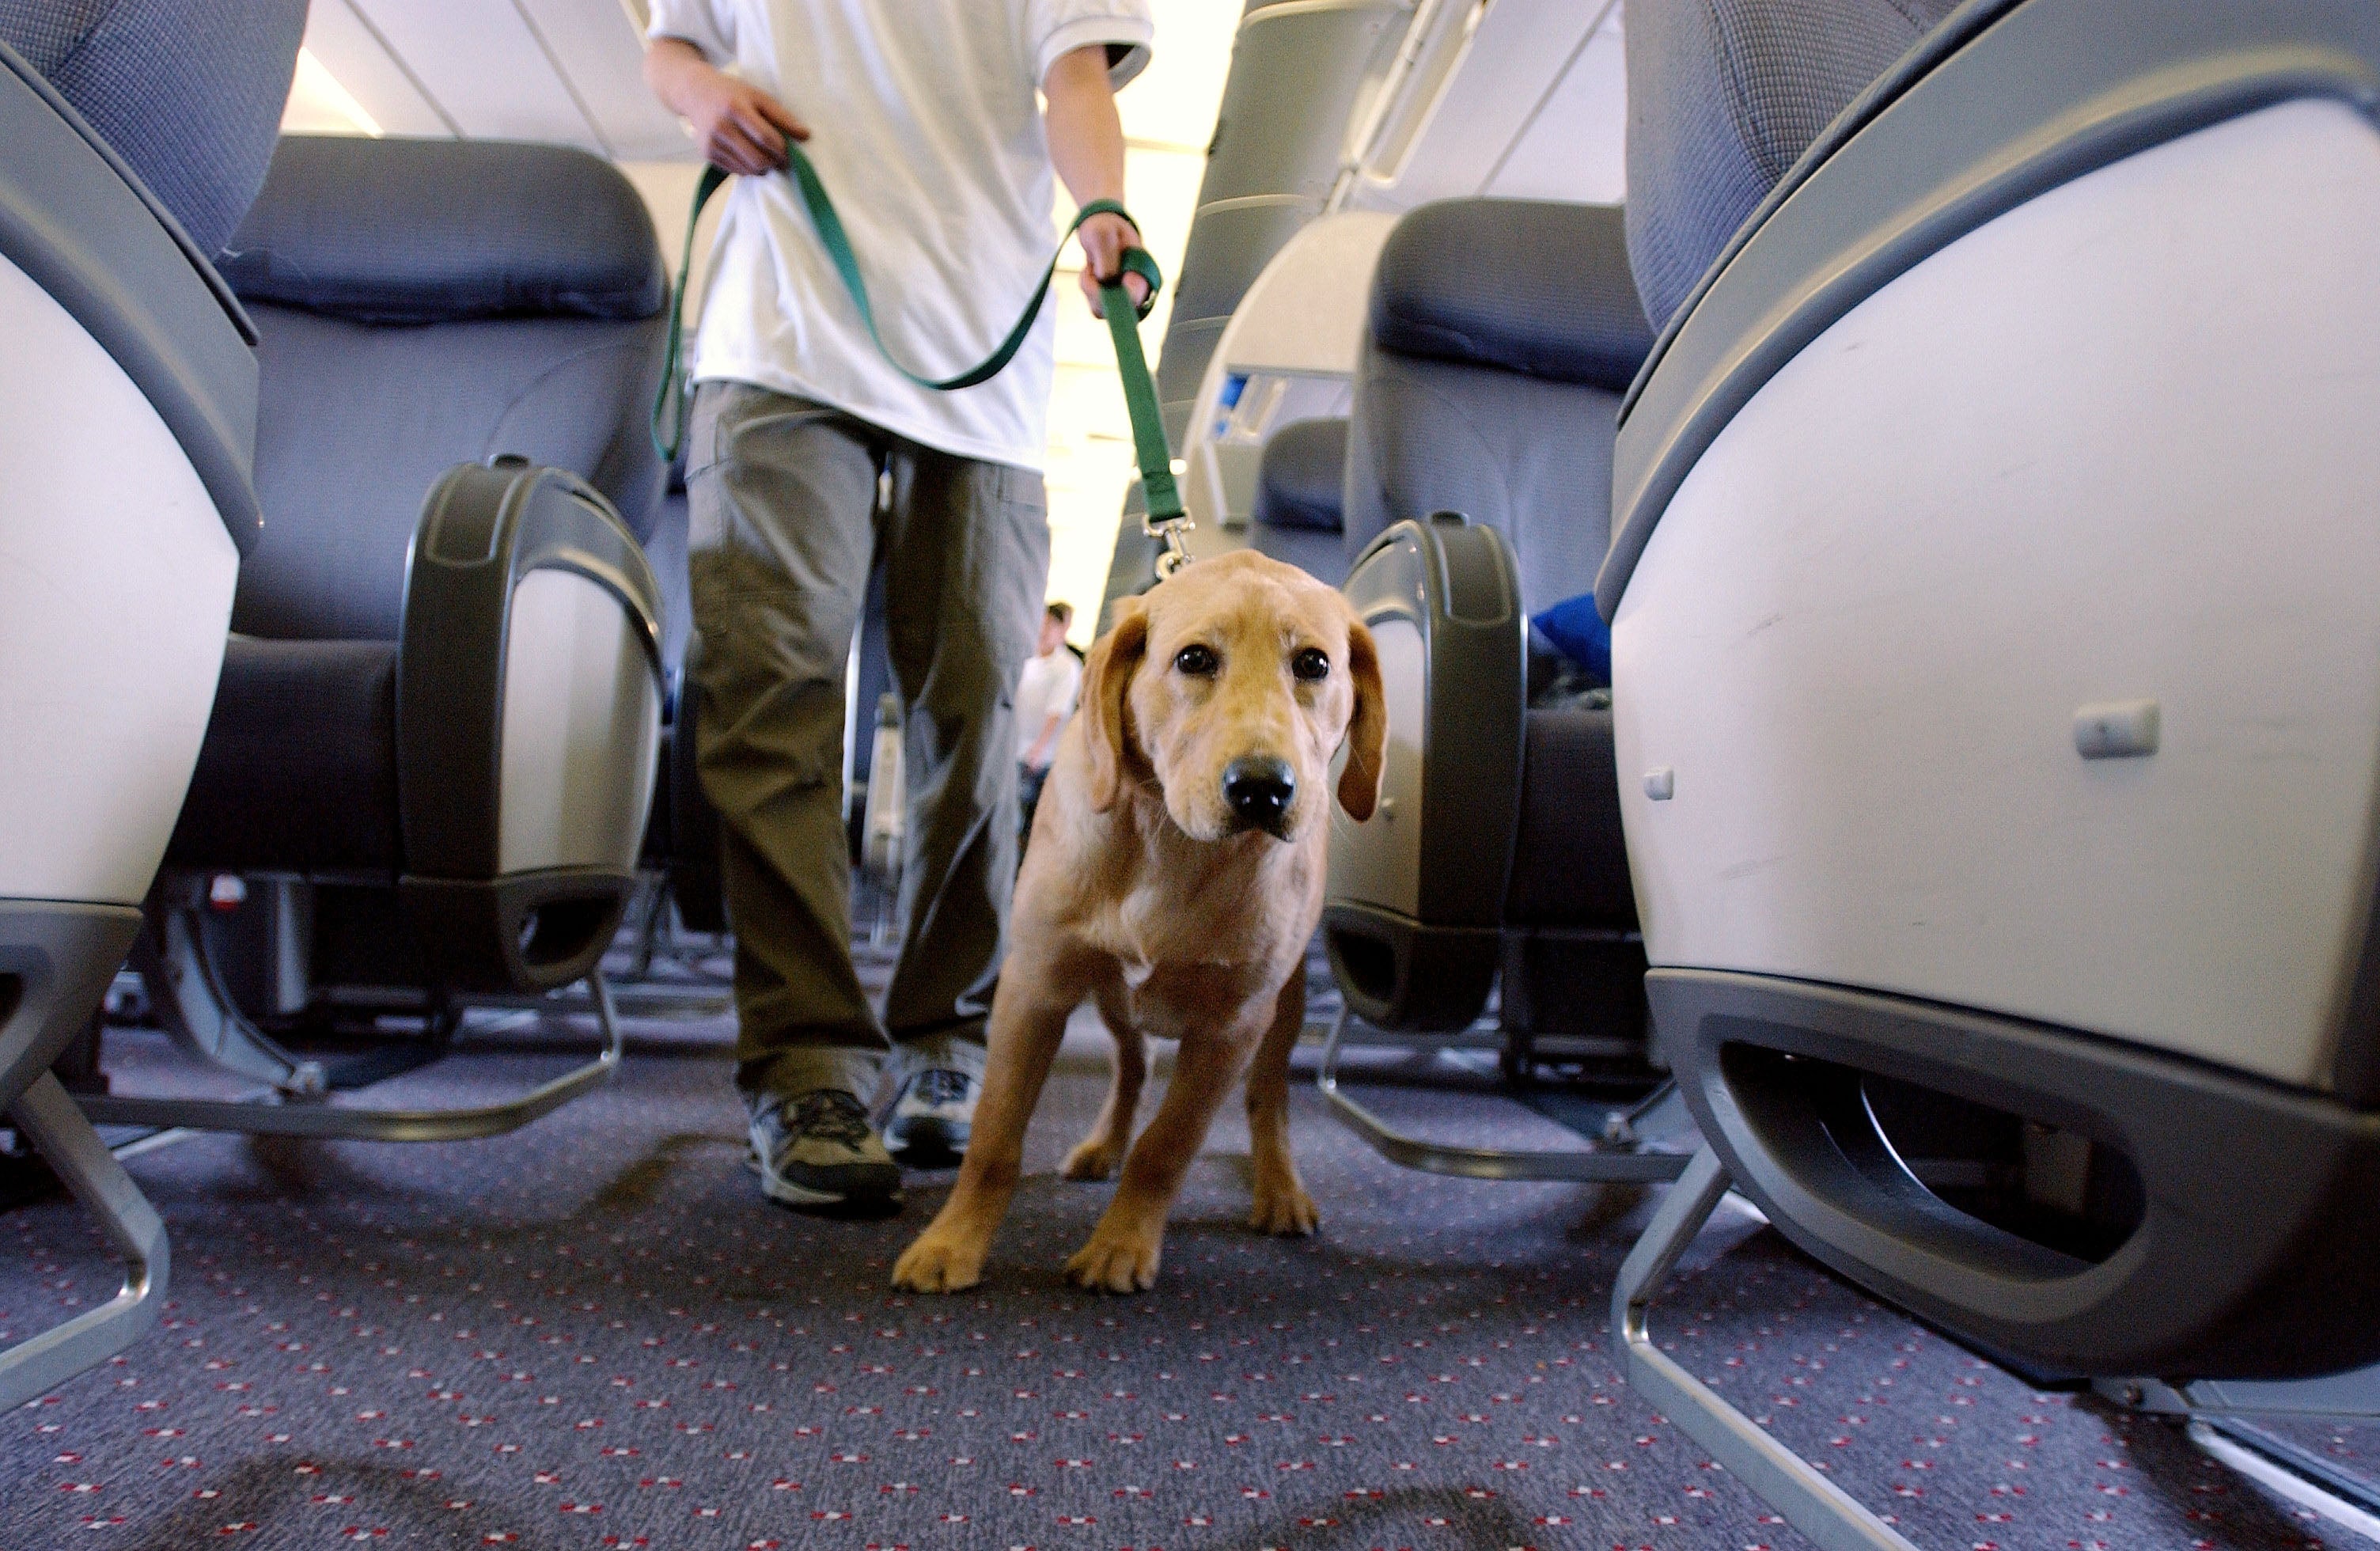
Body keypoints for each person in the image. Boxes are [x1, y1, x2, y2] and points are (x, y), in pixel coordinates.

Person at [643, 0, 1155, 1215]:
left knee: (972, 714)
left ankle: (948, 1042)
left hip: (982, 353)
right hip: (780, 332)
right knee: (769, 701)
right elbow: (673, 39)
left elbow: (1076, 75)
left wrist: (1105, 205)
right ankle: (806, 1067)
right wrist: (699, 97)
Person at [1014, 601, 1082, 851]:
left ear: (1062, 630)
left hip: (1038, 757)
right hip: (1013, 746)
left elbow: (1057, 711)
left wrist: (1039, 748)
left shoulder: (1067, 666)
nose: (1044, 630)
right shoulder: (1028, 655)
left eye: (1051, 625)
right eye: (1042, 623)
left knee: (1024, 818)